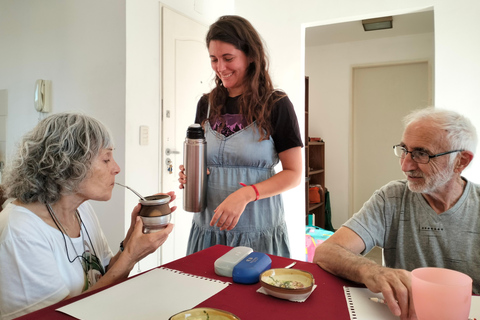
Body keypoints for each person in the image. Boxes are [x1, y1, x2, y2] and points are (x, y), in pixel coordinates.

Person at [0, 113, 175, 319]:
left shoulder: (82, 210)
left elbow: (103, 275)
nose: (116, 168)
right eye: (106, 159)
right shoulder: (20, 231)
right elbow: (59, 316)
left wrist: (129, 243)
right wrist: (130, 256)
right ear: (68, 165)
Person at [314, 107, 478, 320]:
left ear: (461, 161)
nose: (405, 165)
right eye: (404, 150)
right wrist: (372, 271)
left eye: (421, 153)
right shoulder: (392, 197)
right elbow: (327, 252)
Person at [178, 15, 303, 257]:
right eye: (214, 59)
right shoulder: (207, 103)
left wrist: (247, 194)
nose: (220, 68)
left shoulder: (276, 104)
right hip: (209, 227)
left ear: (251, 56)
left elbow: (294, 174)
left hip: (257, 229)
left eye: (228, 58)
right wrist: (192, 172)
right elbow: (207, 161)